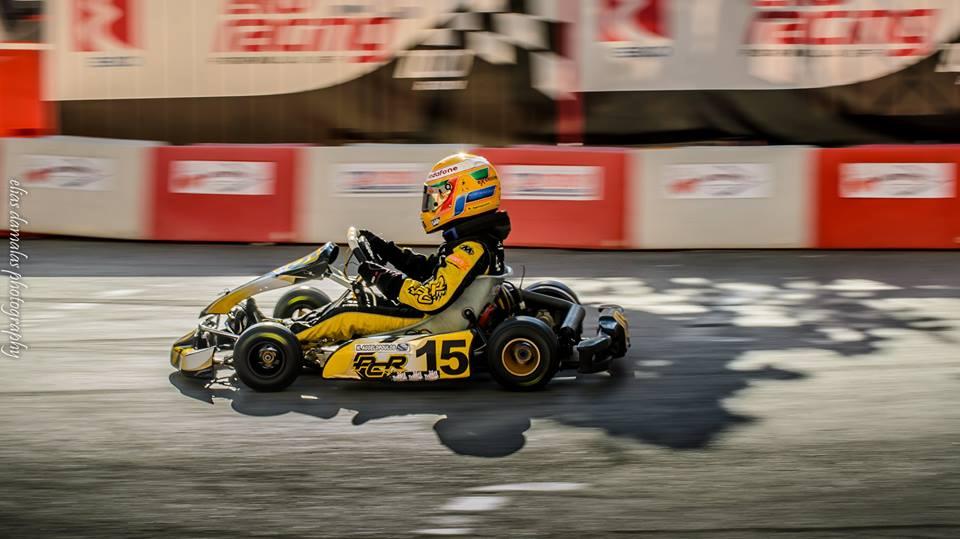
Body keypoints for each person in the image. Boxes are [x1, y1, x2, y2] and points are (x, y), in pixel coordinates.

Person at [292, 153, 510, 342]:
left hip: (431, 320)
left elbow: (431, 298)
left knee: (345, 315)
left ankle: (285, 339)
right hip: (439, 314)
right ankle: (297, 329)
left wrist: (382, 277)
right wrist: (386, 250)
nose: (433, 202)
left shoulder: (470, 249)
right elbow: (427, 270)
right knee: (357, 301)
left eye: (439, 195)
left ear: (464, 196)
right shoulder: (473, 241)